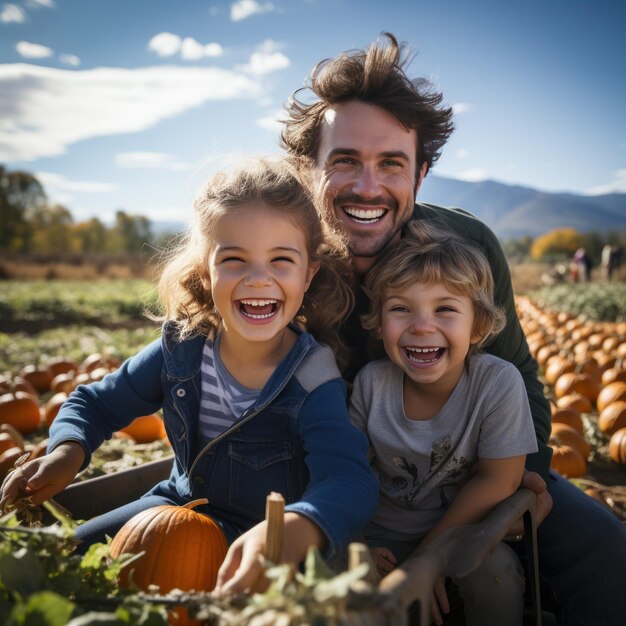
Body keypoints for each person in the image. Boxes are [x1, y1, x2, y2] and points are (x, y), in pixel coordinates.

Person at [281, 32, 626, 625]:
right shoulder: (284, 263)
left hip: (467, 478)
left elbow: (517, 372)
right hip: (329, 488)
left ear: (419, 175)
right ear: (308, 169)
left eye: (392, 163)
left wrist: (527, 479)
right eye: (344, 161)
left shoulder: (465, 249)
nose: (368, 187)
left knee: (607, 557)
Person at [0, 157, 379, 595]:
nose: (259, 278)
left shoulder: (312, 379)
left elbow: (347, 480)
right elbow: (98, 402)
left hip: (261, 541)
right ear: (205, 270)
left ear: (309, 272)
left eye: (281, 260)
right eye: (234, 260)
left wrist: (298, 526)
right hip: (175, 506)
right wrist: (68, 449)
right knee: (65, 564)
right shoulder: (183, 349)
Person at [350, 222, 537, 625]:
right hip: (378, 537)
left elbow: (497, 481)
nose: (421, 325)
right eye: (401, 308)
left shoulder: (497, 384)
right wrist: (355, 540)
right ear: (380, 322)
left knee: (496, 574)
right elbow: (349, 472)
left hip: (462, 536)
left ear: (479, 326)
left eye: (446, 309)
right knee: (333, 573)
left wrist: (426, 560)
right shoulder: (371, 384)